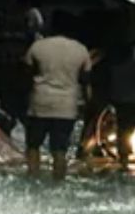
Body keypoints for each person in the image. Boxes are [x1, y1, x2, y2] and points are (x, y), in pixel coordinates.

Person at [24, 19, 93, 179]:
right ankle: (58, 183)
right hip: (66, 106)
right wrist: (88, 102)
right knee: (60, 149)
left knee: (33, 145)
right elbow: (86, 80)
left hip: (40, 102)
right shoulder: (80, 49)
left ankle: (33, 178)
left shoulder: (38, 46)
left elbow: (26, 73)